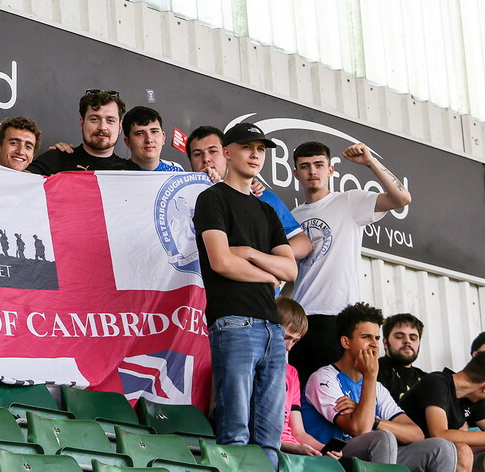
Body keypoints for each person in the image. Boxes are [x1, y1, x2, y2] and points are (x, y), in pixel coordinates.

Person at [192, 122, 297, 468]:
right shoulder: (212, 198)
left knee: (269, 440)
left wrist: (250, 254)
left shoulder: (266, 209)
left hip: (273, 329)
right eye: (248, 146)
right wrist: (269, 274)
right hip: (233, 322)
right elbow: (221, 261)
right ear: (226, 152)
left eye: (261, 149)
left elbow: (291, 270)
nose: (256, 154)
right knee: (235, 432)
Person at [289, 141, 412, 384]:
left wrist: (370, 162)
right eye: (305, 166)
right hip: (301, 320)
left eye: (318, 165)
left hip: (337, 316)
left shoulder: (348, 201)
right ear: (296, 174)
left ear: (330, 170)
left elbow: (402, 198)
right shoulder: (293, 216)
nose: (312, 171)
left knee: (339, 394)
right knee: (303, 396)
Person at [302, 302, 457, 471]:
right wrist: (370, 375)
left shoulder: (377, 388)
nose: (374, 344)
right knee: (383, 438)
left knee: (442, 448)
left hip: (374, 454)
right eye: (366, 337)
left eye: (376, 337)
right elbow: (360, 429)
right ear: (346, 342)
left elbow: (416, 434)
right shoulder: (323, 378)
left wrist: (376, 421)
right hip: (332, 458)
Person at [186, 126, 312, 261]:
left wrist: (260, 259)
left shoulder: (260, 195)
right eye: (197, 154)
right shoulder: (180, 196)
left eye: (213, 151)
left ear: (225, 153)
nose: (206, 159)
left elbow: (303, 243)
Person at [276, 297, 342, 460]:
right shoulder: (254, 366)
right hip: (275, 451)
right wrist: (294, 447)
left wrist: (324, 449)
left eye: (295, 341)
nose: (289, 347)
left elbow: (298, 432)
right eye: (286, 337)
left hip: (292, 450)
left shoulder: (291, 373)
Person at [400, 354, 485, 472]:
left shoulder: (472, 396)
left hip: (437, 452)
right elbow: (439, 433)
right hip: (403, 450)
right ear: (484, 388)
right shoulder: (437, 383)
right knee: (462, 451)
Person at [26, 89, 135, 174]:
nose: (102, 127)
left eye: (110, 120)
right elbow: (18, 182)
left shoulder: (132, 172)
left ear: (120, 127)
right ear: (82, 123)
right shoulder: (57, 159)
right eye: (94, 119)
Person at [378, 313, 427, 404]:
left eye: (413, 338)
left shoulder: (426, 379)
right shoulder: (374, 371)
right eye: (399, 337)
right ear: (385, 342)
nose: (407, 341)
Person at [121, 106, 183, 171]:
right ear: (127, 142)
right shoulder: (117, 175)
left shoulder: (176, 171)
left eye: (154, 132)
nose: (149, 139)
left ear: (163, 138)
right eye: (140, 133)